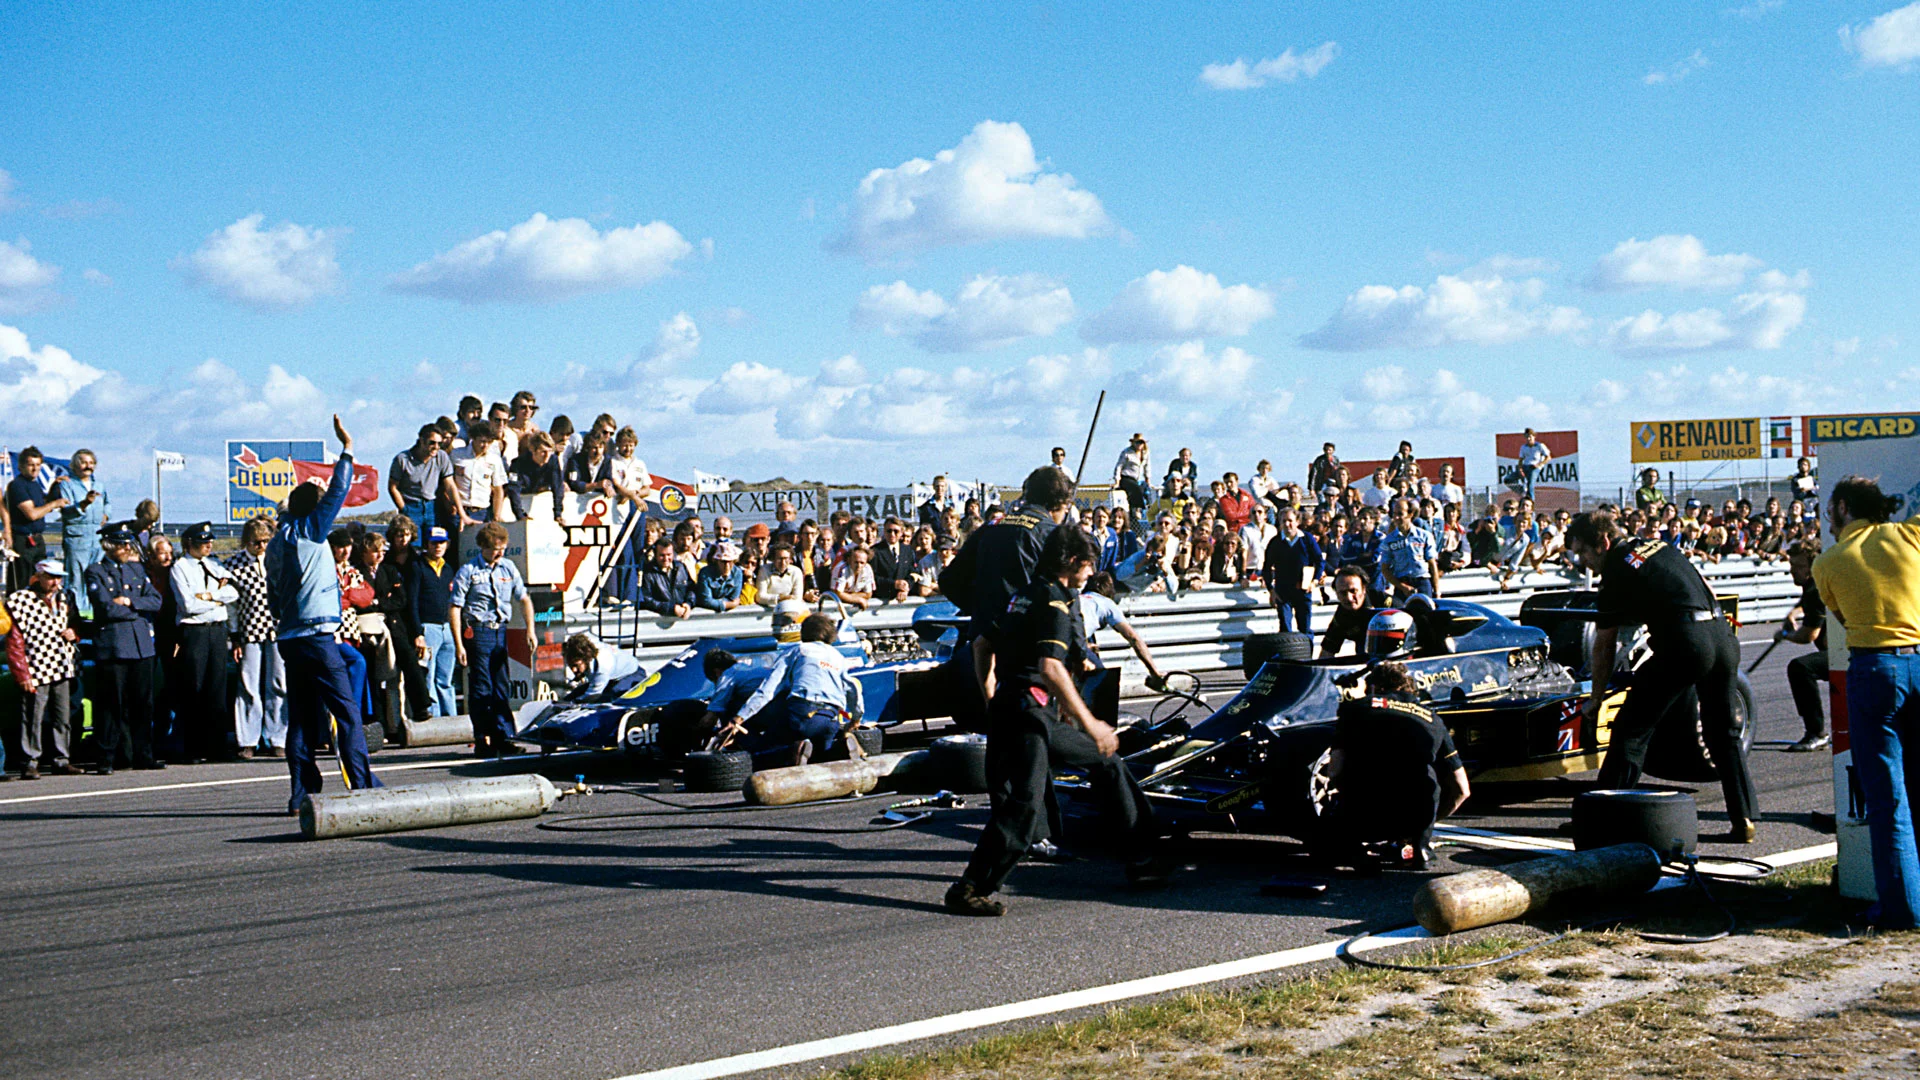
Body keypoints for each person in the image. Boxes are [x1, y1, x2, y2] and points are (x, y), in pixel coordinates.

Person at [944, 527, 1167, 917]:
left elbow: (982, 645)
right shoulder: (1057, 605)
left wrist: (992, 696)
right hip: (1030, 713)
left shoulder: (1024, 595)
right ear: (1074, 564)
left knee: (1108, 764)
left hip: (1018, 708)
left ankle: (1143, 860)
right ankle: (969, 888)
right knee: (1025, 805)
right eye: (1089, 565)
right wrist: (1092, 723)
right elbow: (1050, 667)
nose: (1090, 574)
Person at [1567, 510, 1756, 843]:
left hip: (1686, 643)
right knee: (1723, 733)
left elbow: (1604, 644)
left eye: (1583, 551)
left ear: (1603, 542)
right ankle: (1744, 819)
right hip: (1722, 636)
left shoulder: (1615, 568)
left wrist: (1596, 698)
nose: (1583, 561)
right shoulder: (1658, 545)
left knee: (1631, 729)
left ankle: (1602, 817)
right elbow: (1706, 585)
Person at [1812, 477, 1920, 927]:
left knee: (1887, 796)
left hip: (1875, 668)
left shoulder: (1828, 562)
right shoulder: (1911, 535)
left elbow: (1841, 617)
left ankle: (1902, 907)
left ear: (1841, 507)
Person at [267, 415, 383, 811]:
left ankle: (301, 793)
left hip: (289, 638)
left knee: (300, 719)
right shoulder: (307, 531)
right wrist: (347, 449)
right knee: (347, 713)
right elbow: (336, 493)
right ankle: (363, 786)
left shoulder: (276, 542)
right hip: (317, 636)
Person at [1313, 661, 1469, 872]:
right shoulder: (1432, 718)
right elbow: (1462, 789)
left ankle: (1354, 849)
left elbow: (1335, 770)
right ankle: (1419, 847)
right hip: (1415, 815)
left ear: (1375, 688)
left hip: (1366, 813)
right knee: (1427, 775)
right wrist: (1428, 822)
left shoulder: (1355, 709)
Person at [940, 466, 1075, 640]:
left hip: (984, 638)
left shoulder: (991, 526)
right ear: (1058, 504)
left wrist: (983, 610)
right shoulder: (1050, 532)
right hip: (1028, 641)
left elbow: (949, 580)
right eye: (1066, 509)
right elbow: (1066, 593)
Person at [717, 613, 865, 766]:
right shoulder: (838, 657)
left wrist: (738, 719)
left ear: (803, 633)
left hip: (802, 714)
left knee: (760, 753)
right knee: (820, 758)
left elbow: (768, 689)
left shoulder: (798, 651)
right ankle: (840, 750)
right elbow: (852, 688)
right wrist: (856, 719)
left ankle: (793, 751)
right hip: (830, 719)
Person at [449, 521, 537, 758]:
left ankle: (505, 737)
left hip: (500, 632)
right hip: (478, 632)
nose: (499, 553)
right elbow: (456, 607)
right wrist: (459, 644)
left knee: (501, 687)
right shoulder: (468, 571)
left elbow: (524, 598)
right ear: (483, 547)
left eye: (503, 548)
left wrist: (530, 629)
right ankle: (482, 738)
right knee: (481, 688)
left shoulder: (508, 568)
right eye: (495, 548)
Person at [86, 522, 164, 773]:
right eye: (120, 544)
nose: (125, 548)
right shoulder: (96, 571)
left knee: (143, 704)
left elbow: (155, 601)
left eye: (127, 544)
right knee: (111, 704)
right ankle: (107, 757)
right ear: (109, 546)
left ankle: (143, 754)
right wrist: (135, 610)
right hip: (114, 646)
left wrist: (130, 601)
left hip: (141, 646)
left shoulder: (136, 569)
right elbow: (106, 607)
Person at [4, 559, 85, 777]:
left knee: (62, 715)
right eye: (51, 577)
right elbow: (14, 640)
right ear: (38, 576)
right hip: (35, 664)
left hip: (63, 663)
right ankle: (30, 760)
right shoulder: (20, 600)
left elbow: (77, 622)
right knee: (33, 715)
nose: (55, 582)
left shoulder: (66, 597)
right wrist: (22, 673)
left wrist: (74, 632)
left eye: (58, 578)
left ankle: (61, 757)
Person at [170, 522, 239, 762]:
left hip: (217, 630)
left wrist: (211, 596)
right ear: (190, 543)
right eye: (203, 542)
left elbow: (233, 592)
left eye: (210, 541)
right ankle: (193, 747)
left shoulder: (215, 564)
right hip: (195, 631)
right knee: (195, 688)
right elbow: (188, 605)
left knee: (217, 688)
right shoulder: (180, 568)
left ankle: (217, 746)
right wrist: (216, 602)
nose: (208, 545)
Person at [226, 517, 285, 758]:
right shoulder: (234, 565)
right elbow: (231, 605)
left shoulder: (277, 560)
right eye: (255, 543)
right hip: (249, 628)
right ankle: (248, 739)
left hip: (277, 628)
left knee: (279, 683)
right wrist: (235, 636)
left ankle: (278, 737)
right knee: (249, 685)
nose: (260, 547)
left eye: (264, 542)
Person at [1778, 536, 1831, 753]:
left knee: (1800, 668)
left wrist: (1784, 635)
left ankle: (1816, 733)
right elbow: (1807, 603)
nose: (1793, 571)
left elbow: (1809, 635)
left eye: (1798, 567)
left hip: (1847, 652)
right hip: (1849, 648)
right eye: (1791, 566)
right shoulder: (1817, 581)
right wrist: (1794, 612)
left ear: (1811, 566)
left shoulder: (1814, 588)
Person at [408, 526, 460, 719]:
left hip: (447, 628)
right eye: (434, 543)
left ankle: (451, 718)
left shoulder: (448, 568)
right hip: (428, 627)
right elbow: (412, 602)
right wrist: (418, 633)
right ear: (427, 544)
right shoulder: (418, 566)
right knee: (429, 676)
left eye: (442, 543)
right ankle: (435, 719)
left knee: (446, 678)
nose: (438, 547)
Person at [57, 449, 108, 618]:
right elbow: (66, 511)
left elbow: (107, 503)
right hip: (77, 538)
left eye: (91, 463)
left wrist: (106, 514)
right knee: (76, 580)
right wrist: (85, 503)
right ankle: (77, 615)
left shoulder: (99, 485)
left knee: (95, 577)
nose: (88, 466)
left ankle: (94, 613)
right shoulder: (67, 485)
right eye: (84, 462)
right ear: (75, 465)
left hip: (97, 537)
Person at [7, 447, 64, 592]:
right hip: (23, 541)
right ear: (21, 466)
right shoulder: (17, 486)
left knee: (40, 581)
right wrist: (54, 504)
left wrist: (54, 489)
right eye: (31, 465)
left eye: (38, 465)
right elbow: (31, 514)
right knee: (22, 582)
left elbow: (42, 506)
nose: (35, 469)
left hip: (38, 541)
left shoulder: (34, 485)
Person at [1263, 505, 1322, 638]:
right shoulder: (1275, 542)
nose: (1287, 524)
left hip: (1303, 590)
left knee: (1305, 629)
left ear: (1297, 522)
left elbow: (1319, 561)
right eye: (1284, 521)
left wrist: (1315, 581)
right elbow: (1266, 568)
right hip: (1283, 592)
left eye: (1290, 520)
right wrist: (1271, 590)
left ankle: (1308, 657)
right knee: (1285, 629)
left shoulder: (1306, 539)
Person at [388, 424, 455, 536]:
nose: (436, 447)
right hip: (411, 505)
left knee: (434, 543)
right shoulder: (402, 459)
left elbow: (450, 485)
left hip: (432, 507)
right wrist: (404, 509)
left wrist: (456, 507)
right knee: (413, 546)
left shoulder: (441, 456)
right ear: (421, 441)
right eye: (432, 443)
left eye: (439, 443)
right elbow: (392, 487)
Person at [1379, 500, 1440, 602]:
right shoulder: (1389, 540)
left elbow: (1432, 564)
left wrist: (1437, 591)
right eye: (1394, 514)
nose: (1396, 518)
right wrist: (1402, 586)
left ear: (1410, 514)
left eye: (1400, 514)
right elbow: (1385, 569)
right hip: (1402, 583)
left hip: (1422, 581)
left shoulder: (1424, 536)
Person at [561, 632, 643, 701]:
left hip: (632, 675)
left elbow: (591, 697)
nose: (574, 670)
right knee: (574, 695)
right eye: (570, 665)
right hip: (611, 676)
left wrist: (573, 704)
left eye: (576, 666)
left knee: (610, 698)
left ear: (586, 659)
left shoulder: (601, 668)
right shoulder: (588, 647)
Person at [506, 430, 567, 521]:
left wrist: (558, 514)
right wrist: (520, 515)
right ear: (532, 450)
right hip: (524, 493)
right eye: (543, 452)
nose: (546, 456)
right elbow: (513, 489)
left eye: (549, 451)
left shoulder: (553, 460)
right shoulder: (518, 464)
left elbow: (557, 487)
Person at [1317, 566, 1376, 659]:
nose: (1349, 598)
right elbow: (1326, 653)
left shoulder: (1385, 603)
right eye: (1343, 593)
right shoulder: (1342, 616)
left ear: (1364, 589)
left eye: (1353, 591)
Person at [639, 537, 696, 618]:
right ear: (655, 554)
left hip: (683, 618)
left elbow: (691, 589)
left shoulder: (681, 568)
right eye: (662, 555)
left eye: (669, 555)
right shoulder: (647, 573)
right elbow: (646, 600)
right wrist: (671, 608)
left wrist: (688, 604)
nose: (666, 559)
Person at [1110, 436, 1152, 527]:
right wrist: (1117, 481)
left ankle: (1145, 509)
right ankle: (1137, 509)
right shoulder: (1127, 453)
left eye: (1141, 443)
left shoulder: (1145, 453)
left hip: (1138, 479)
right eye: (1137, 442)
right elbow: (1119, 467)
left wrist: (1148, 479)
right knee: (1135, 488)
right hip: (1126, 477)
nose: (1139, 445)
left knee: (1145, 489)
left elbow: (1147, 467)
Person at [696, 540, 745, 612]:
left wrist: (716, 603)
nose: (727, 566)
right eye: (723, 562)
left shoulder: (737, 573)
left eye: (730, 562)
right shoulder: (705, 573)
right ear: (716, 561)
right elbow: (706, 600)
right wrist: (729, 605)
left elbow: (733, 598)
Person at [1516, 428, 1552, 499]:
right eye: (1527, 437)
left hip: (1534, 468)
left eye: (1530, 436)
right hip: (1525, 466)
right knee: (1508, 479)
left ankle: (1531, 504)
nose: (1528, 439)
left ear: (1534, 436)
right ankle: (1522, 491)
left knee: (1530, 486)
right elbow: (1520, 460)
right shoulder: (1523, 447)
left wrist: (1539, 464)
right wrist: (1520, 469)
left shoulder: (1539, 446)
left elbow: (1548, 457)